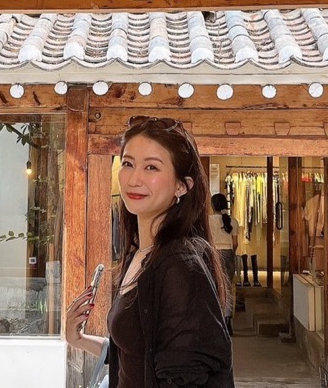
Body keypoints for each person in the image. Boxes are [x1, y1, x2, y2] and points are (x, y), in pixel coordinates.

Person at [66, 116, 235, 388]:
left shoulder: (180, 265)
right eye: (128, 164)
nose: (134, 179)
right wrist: (79, 339)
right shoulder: (141, 255)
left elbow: (186, 376)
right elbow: (137, 356)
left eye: (151, 167)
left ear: (182, 186)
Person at [209, 193, 239, 334]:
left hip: (214, 254)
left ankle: (217, 319)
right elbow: (235, 243)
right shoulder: (233, 221)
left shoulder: (208, 221)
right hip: (228, 254)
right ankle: (228, 320)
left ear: (212, 206)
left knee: (214, 286)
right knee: (227, 287)